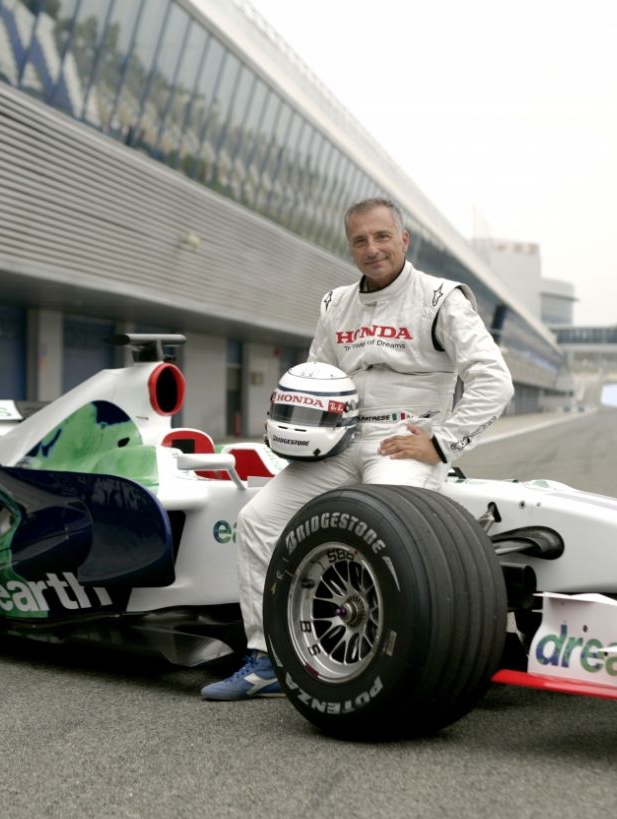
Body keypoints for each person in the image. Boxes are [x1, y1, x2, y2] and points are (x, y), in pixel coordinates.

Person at [201, 197, 514, 700]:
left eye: (382, 237)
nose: (373, 249)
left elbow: (494, 382)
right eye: (361, 241)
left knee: (386, 536)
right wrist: (299, 436)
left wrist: (442, 442)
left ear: (403, 239)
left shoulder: (440, 299)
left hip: (403, 445)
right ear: (350, 246)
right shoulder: (335, 304)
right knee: (259, 520)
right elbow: (314, 379)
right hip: (340, 443)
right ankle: (265, 659)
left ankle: (388, 663)